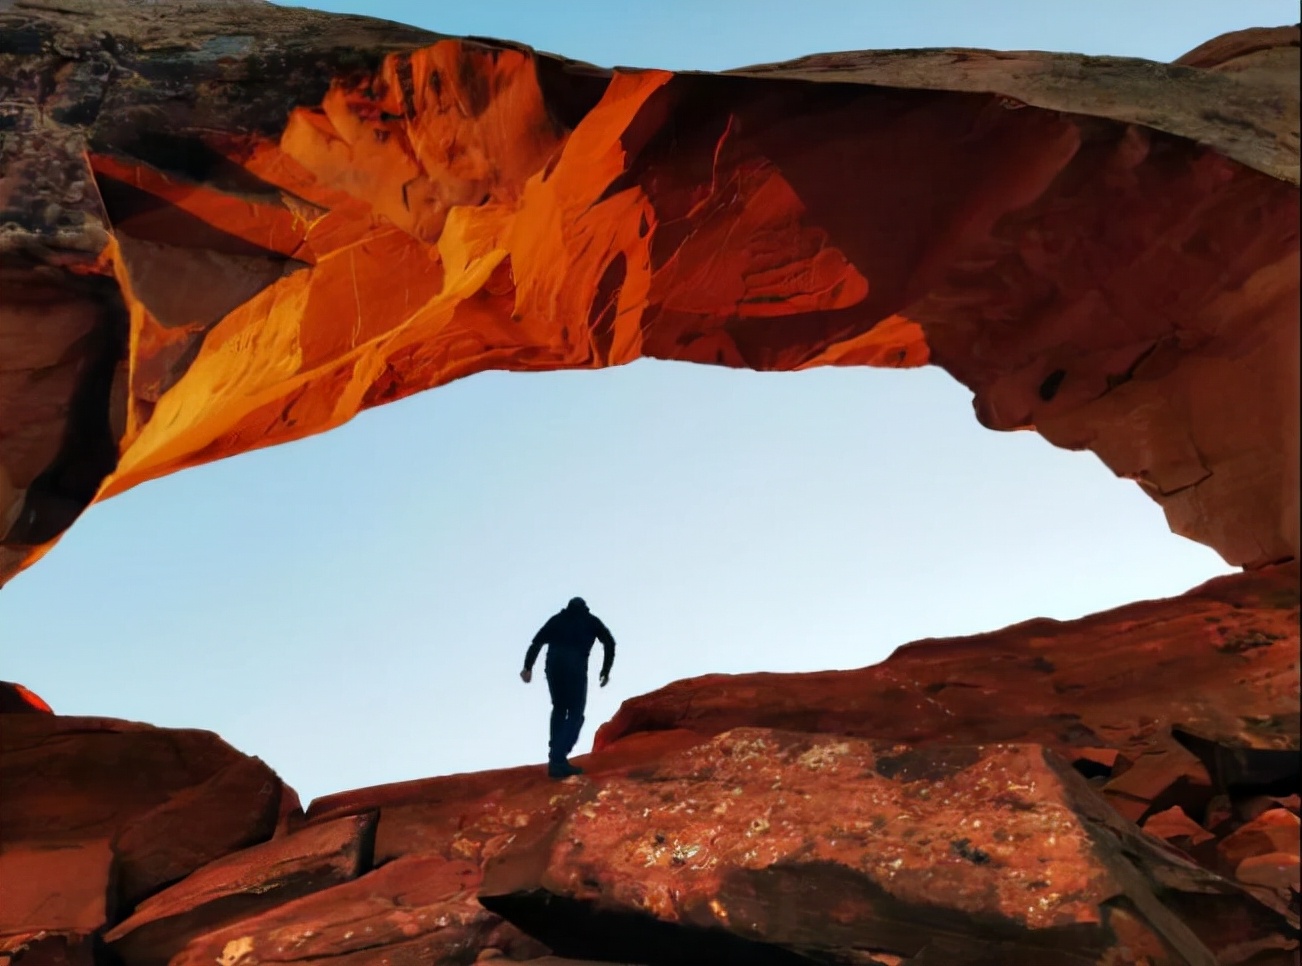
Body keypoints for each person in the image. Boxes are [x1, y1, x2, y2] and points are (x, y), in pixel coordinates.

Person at [520, 597, 616, 779]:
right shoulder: (590, 621)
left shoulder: (558, 619)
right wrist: (605, 670)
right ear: (585, 608)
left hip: (554, 665)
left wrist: (528, 667)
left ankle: (556, 758)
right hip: (575, 667)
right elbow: (609, 643)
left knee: (559, 708)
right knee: (575, 713)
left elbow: (537, 642)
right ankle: (558, 757)